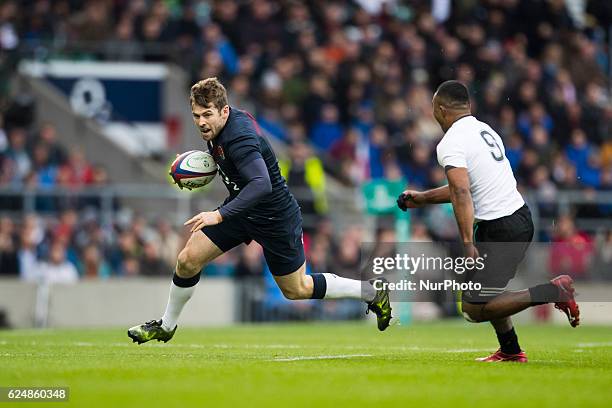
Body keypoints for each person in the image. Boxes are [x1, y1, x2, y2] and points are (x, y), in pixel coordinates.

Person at [128, 77, 392, 344]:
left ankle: (370, 292)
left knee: (296, 289)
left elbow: (261, 184)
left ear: (225, 111)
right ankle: (166, 325)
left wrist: (219, 214)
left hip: (275, 217)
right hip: (243, 210)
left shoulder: (239, 138)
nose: (201, 122)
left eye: (207, 114)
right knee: (187, 260)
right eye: (196, 116)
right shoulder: (219, 129)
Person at [397, 80, 580, 363]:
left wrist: (467, 241)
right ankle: (509, 349)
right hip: (514, 217)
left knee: (473, 308)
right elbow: (469, 187)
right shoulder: (485, 130)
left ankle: (552, 291)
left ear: (441, 109)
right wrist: (422, 198)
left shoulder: (450, 142)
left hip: (501, 227)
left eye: (433, 107)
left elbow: (461, 191)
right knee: (482, 291)